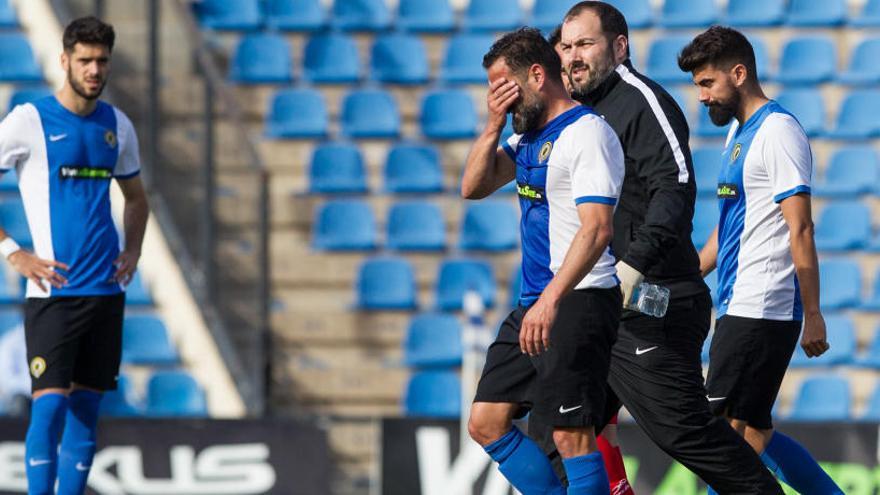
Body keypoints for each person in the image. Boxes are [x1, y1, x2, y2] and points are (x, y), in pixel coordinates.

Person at [528, 3, 785, 493]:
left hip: (652, 302)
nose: (574, 56)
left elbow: (677, 188)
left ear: (619, 47)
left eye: (586, 44)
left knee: (683, 432)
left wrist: (631, 269)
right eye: (566, 45)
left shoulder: (641, 101)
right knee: (555, 435)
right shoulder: (571, 112)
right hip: (594, 305)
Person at [678, 26, 843, 495]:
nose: (703, 97)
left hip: (762, 305)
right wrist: (683, 277)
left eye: (708, 84)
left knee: (725, 438)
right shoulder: (737, 132)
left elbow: (801, 228)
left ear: (739, 73)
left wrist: (813, 313)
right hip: (738, 302)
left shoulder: (778, 132)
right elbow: (730, 225)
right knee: (755, 433)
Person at [463, 27, 625, 494]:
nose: (500, 100)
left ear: (536, 75)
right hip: (534, 302)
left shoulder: (586, 133)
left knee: (571, 436)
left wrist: (553, 299)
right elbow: (472, 186)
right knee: (485, 421)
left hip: (577, 298)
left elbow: (597, 229)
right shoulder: (527, 136)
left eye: (503, 88)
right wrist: (493, 124)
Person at [0, 16, 149, 495]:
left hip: (105, 290)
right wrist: (12, 251)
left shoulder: (117, 126)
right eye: (84, 60)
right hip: (53, 291)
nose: (93, 69)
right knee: (49, 406)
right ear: (64, 60)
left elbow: (138, 198)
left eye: (101, 60)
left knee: (87, 410)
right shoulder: (29, 120)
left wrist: (133, 249)